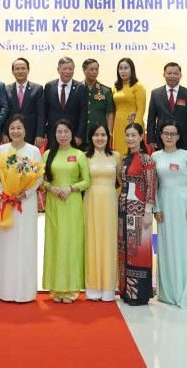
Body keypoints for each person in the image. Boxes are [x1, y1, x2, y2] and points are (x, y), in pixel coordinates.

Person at [152, 120, 187, 308]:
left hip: (184, 207)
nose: (169, 137)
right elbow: (153, 186)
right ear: (161, 135)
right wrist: (156, 208)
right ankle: (167, 293)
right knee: (166, 247)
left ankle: (185, 291)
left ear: (179, 136)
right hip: (165, 207)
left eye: (173, 134)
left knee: (184, 247)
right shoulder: (155, 156)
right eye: (166, 133)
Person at [0, 115, 43, 303]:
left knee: (26, 243)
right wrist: (3, 194)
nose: (16, 131)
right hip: (7, 202)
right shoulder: (1, 150)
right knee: (7, 244)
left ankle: (25, 291)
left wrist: (26, 193)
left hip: (26, 203)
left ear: (25, 130)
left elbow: (38, 177)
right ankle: (5, 290)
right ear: (8, 130)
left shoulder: (34, 151)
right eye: (12, 128)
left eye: (19, 128)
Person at [43, 118, 90, 303]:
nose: (62, 135)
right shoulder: (48, 154)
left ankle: (71, 289)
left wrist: (71, 188)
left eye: (66, 132)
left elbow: (87, 181)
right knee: (54, 242)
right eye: (59, 132)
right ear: (54, 135)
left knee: (72, 243)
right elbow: (40, 179)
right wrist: (50, 187)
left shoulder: (79, 154)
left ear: (72, 134)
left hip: (73, 203)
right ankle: (55, 288)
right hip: (54, 203)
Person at [118, 122, 157, 305]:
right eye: (127, 135)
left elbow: (151, 185)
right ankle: (126, 290)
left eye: (134, 135)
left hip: (139, 209)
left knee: (138, 251)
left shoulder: (146, 159)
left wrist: (149, 210)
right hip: (124, 209)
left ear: (141, 137)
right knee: (125, 249)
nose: (130, 138)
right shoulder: (125, 158)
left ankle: (139, 294)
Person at [83, 123, 120, 302]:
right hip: (90, 200)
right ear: (91, 137)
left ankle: (109, 285)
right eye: (96, 135)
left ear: (109, 137)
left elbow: (122, 181)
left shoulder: (116, 156)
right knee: (92, 240)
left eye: (103, 135)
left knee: (109, 240)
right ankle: (92, 284)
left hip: (110, 201)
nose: (100, 138)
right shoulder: (84, 157)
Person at [148, 62, 187, 151]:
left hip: (184, 139)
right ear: (164, 75)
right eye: (169, 73)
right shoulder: (155, 94)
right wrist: (151, 139)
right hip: (162, 138)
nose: (172, 76)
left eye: (175, 73)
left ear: (180, 75)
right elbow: (151, 119)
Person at [44, 57, 87, 147]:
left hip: (73, 134)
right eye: (64, 69)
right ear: (58, 70)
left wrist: (79, 135)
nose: (68, 71)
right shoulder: (49, 86)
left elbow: (83, 113)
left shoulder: (81, 87)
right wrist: (42, 132)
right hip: (53, 134)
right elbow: (44, 112)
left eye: (70, 69)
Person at [111, 58, 148, 155]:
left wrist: (136, 128)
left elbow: (141, 110)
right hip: (118, 124)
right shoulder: (115, 87)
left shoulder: (138, 87)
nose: (123, 71)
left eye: (126, 68)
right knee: (119, 152)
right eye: (120, 68)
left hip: (133, 122)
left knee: (133, 151)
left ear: (132, 70)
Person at [7, 58, 45, 146]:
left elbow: (41, 114)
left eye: (23, 68)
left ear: (28, 70)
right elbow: (5, 113)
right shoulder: (6, 89)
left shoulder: (37, 89)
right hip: (12, 134)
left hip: (31, 134)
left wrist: (40, 134)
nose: (20, 71)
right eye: (17, 69)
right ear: (13, 72)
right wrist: (4, 133)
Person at [82, 60, 116, 146]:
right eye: (91, 69)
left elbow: (109, 114)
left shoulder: (105, 91)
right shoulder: (78, 89)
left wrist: (109, 133)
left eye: (96, 69)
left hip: (99, 135)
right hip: (81, 135)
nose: (94, 72)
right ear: (84, 70)